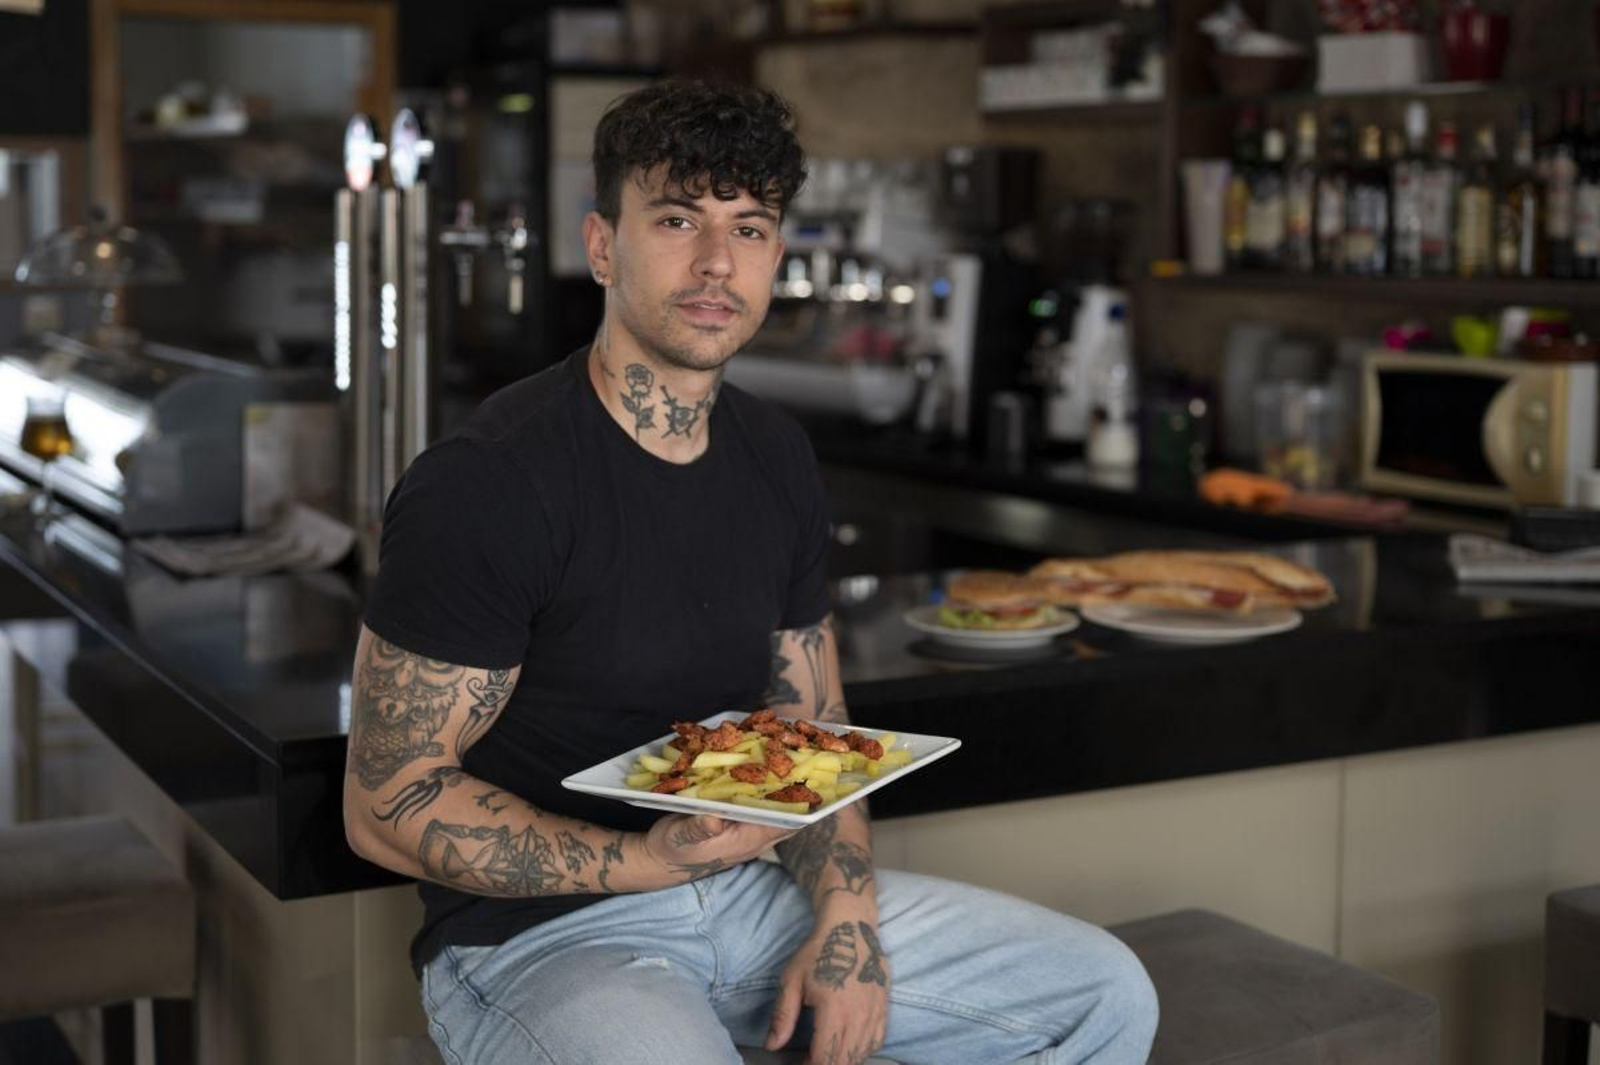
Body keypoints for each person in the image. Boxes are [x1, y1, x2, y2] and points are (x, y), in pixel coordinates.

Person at [343, 80, 1158, 1065]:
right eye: (679, 219)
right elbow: (386, 800)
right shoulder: (493, 481)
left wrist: (847, 918)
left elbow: (811, 732)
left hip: (753, 897)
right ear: (603, 245)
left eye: (751, 227)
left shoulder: (775, 455)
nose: (717, 262)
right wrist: (644, 858)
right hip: (548, 938)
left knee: (1102, 992)